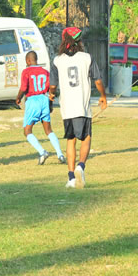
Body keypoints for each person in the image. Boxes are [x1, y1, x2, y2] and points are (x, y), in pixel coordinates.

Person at [49, 26, 108, 189]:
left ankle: (71, 178)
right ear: (79, 40)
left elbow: (52, 86)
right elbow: (98, 81)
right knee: (86, 138)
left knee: (71, 140)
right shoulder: (87, 58)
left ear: (64, 40)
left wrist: (51, 95)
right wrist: (103, 96)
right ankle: (80, 166)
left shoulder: (57, 60)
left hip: (66, 108)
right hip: (82, 107)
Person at [16, 50, 66, 165]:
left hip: (32, 100)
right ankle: (60, 154)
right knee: (48, 130)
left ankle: (42, 152)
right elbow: (51, 88)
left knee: (27, 130)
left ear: (28, 61)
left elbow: (24, 87)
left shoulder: (26, 71)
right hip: (44, 99)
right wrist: (50, 104)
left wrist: (18, 97)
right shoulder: (45, 72)